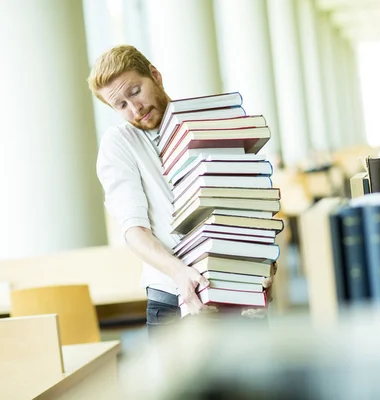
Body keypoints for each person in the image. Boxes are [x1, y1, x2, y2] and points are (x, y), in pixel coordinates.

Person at [87, 45, 274, 340]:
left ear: (155, 76)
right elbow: (134, 230)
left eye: (135, 91)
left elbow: (247, 205)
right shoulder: (119, 143)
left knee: (262, 387)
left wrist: (264, 262)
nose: (134, 109)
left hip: (238, 292)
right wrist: (178, 273)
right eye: (120, 105)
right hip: (174, 302)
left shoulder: (207, 123)